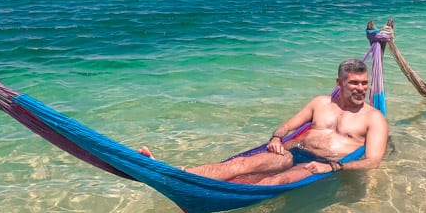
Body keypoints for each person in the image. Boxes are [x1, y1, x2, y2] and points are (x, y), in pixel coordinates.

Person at [141, 58, 388, 185]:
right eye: (354, 83)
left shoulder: (374, 118)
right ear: (339, 83)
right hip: (292, 151)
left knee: (274, 181)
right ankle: (173, 174)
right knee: (239, 165)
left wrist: (334, 168)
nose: (361, 88)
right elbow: (287, 127)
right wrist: (277, 138)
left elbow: (373, 162)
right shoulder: (321, 102)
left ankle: (226, 195)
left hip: (319, 164)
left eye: (364, 83)